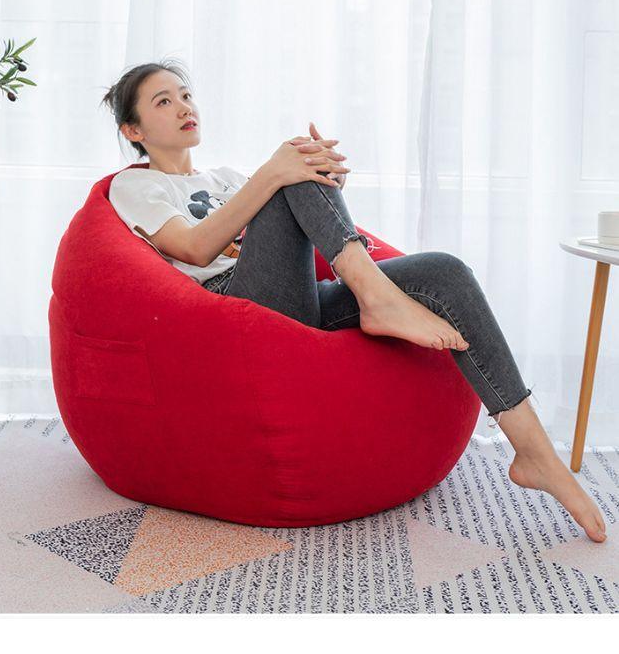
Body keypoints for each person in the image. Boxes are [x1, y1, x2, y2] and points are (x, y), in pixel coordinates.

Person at [101, 57, 607, 544]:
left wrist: (326, 183)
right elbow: (192, 248)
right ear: (134, 130)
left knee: (445, 274)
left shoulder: (227, 178)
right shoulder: (136, 184)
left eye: (186, 95)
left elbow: (290, 226)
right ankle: (376, 298)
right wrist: (279, 176)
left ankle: (533, 451)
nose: (185, 107)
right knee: (292, 167)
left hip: (296, 297)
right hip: (233, 307)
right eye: (164, 102)